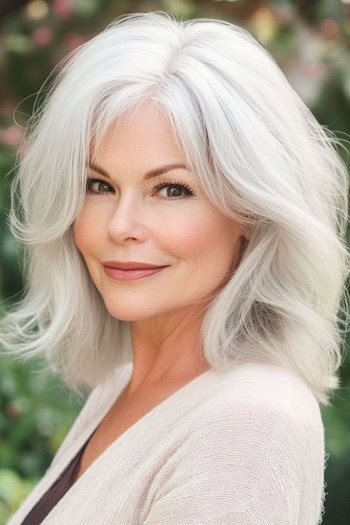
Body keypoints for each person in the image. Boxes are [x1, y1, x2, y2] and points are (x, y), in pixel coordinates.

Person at [1, 10, 349, 525]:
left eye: (171, 189)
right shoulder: (125, 387)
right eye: (100, 185)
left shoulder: (247, 427)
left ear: (250, 211)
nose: (121, 225)